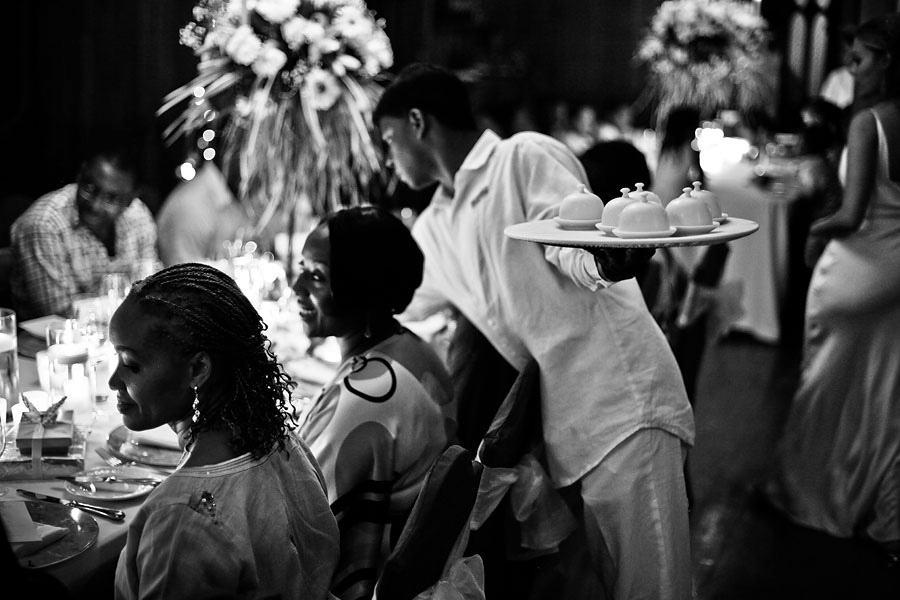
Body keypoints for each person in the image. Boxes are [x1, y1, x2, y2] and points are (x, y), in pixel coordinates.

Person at [374, 63, 694, 600]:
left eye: (388, 141)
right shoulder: (435, 223)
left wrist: (606, 261)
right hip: (568, 423)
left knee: (653, 588)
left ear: (417, 122)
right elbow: (400, 303)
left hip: (624, 401)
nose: (387, 157)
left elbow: (568, 236)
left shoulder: (522, 158)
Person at [109, 263, 339, 600]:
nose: (114, 381)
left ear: (199, 368)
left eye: (131, 365)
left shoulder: (180, 520)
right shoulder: (282, 441)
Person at [767, 13, 900, 563]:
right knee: (883, 395)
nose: (849, 68)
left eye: (859, 57)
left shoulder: (868, 122)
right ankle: (885, 513)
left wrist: (815, 234)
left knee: (822, 385)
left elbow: (848, 214)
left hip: (859, 267)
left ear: (888, 62)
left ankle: (806, 494)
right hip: (896, 271)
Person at [293, 206, 456, 600]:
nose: (296, 286)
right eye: (302, 268)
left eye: (317, 276)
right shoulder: (412, 349)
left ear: (361, 289)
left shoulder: (366, 396)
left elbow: (297, 521)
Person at [9, 146, 158, 319]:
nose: (96, 205)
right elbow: (59, 312)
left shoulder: (137, 214)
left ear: (130, 199)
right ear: (80, 175)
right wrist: (126, 304)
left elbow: (152, 290)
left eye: (112, 199)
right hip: (46, 342)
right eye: (90, 188)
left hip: (120, 333)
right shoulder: (44, 224)